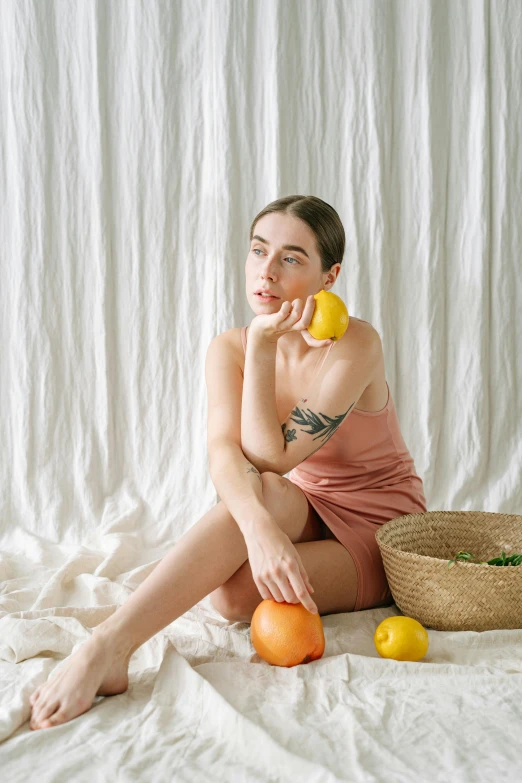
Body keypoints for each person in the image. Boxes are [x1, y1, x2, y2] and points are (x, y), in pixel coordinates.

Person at [28, 195, 427, 730]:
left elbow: (271, 456)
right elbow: (225, 454)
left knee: (235, 594)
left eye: (290, 258)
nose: (266, 271)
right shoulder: (228, 348)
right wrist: (260, 531)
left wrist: (264, 348)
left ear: (328, 277)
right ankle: (108, 645)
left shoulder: (355, 343)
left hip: (382, 529)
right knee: (256, 503)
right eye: (259, 251)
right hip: (305, 504)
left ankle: (109, 646)